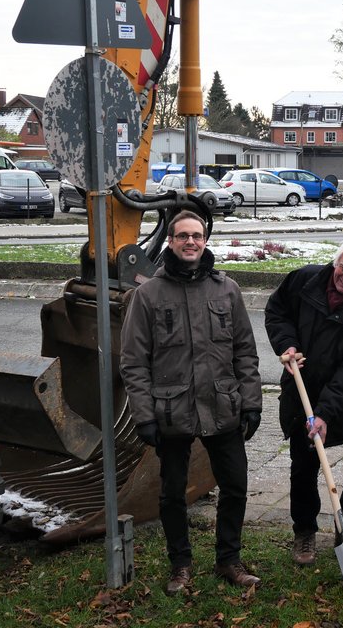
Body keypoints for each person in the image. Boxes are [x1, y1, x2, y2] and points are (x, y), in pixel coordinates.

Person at [120, 210, 263, 594]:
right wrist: (144, 416)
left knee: (235, 486)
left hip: (222, 407)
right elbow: (133, 362)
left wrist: (251, 403)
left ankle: (229, 560)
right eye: (183, 235)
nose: (190, 242)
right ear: (170, 241)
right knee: (172, 494)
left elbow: (245, 352)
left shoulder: (227, 290)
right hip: (172, 412)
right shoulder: (148, 295)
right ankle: (180, 565)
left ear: (205, 241)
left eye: (197, 236)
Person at [264, 238, 343, 567]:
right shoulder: (303, 279)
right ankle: (304, 531)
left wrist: (325, 413)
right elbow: (277, 312)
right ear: (336, 262)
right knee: (304, 466)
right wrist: (287, 344)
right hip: (304, 387)